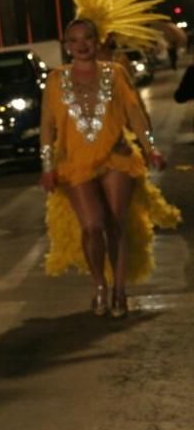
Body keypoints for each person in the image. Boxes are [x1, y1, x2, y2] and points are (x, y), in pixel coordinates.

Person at [40, 18, 180, 316]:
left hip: (117, 158)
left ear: (97, 41)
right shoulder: (55, 80)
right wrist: (47, 166)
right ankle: (99, 285)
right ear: (66, 46)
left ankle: (119, 291)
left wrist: (150, 147)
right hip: (75, 164)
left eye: (87, 38)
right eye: (74, 40)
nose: (82, 46)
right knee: (92, 226)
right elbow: (46, 129)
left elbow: (135, 114)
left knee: (116, 224)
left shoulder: (115, 74)